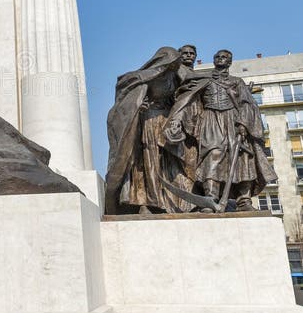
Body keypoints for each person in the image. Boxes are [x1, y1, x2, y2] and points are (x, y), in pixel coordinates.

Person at [164, 49, 276, 209]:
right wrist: (177, 120)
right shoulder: (205, 80)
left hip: (233, 120)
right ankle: (210, 198)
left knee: (240, 157)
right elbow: (188, 100)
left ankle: (243, 200)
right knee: (213, 155)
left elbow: (247, 103)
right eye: (217, 57)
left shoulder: (237, 81)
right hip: (210, 120)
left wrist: (244, 123)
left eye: (224, 57)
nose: (220, 59)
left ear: (230, 62)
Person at [105, 47, 188, 214]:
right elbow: (127, 96)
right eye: (173, 62)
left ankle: (170, 202)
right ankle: (147, 203)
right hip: (149, 120)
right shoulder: (145, 77)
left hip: (167, 121)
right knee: (149, 161)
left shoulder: (175, 77)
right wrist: (137, 105)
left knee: (169, 163)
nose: (176, 65)